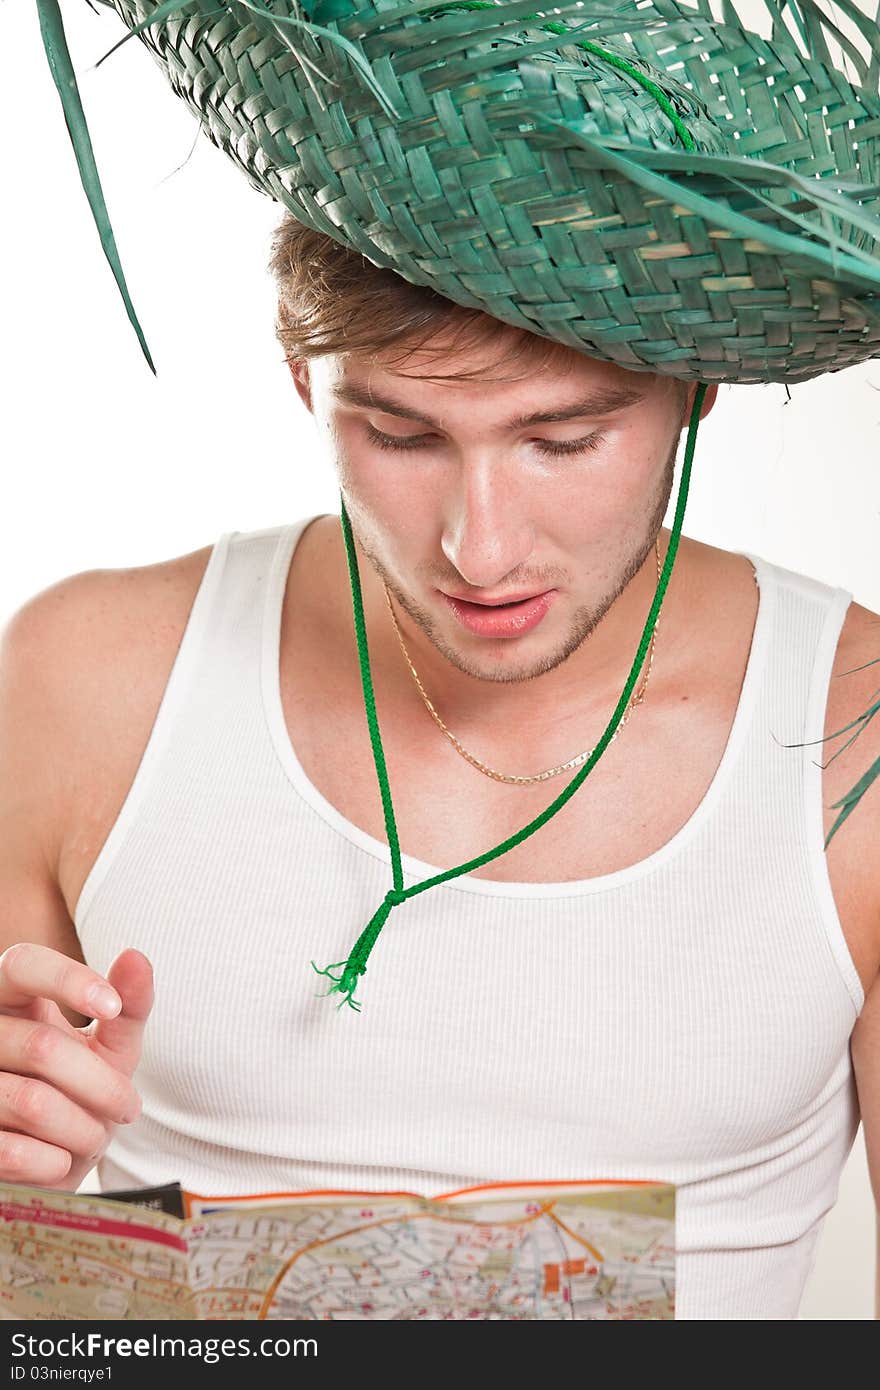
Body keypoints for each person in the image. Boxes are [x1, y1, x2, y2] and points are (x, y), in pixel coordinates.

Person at [0, 213, 877, 1320]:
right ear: (300, 375)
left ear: (695, 384)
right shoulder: (91, 672)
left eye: (562, 441)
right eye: (402, 437)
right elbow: (36, 1277)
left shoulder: (855, 727)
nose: (482, 548)